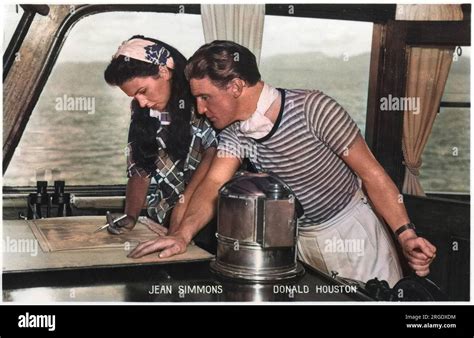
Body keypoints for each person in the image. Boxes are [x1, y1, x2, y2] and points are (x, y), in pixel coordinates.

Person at [128, 40, 436, 287]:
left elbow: (373, 175)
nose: (199, 107)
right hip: (300, 240)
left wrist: (406, 235)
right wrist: (182, 235)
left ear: (235, 86)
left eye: (205, 97)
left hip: (352, 233)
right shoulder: (235, 133)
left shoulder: (313, 108)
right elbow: (212, 185)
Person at [103, 36, 217, 243]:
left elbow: (211, 166)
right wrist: (131, 216)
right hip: (165, 221)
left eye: (142, 91)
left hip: (205, 221)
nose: (142, 102)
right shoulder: (144, 113)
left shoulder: (202, 105)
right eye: (135, 97)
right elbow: (140, 169)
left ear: (163, 71)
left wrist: (177, 229)